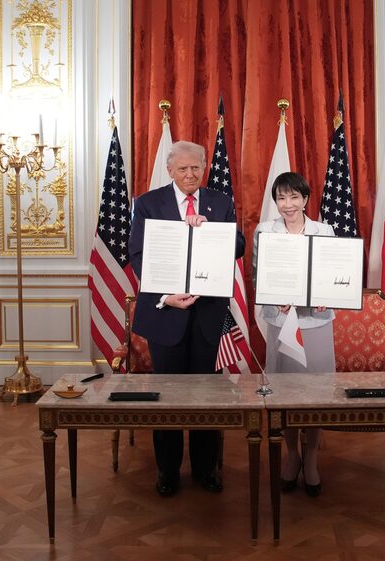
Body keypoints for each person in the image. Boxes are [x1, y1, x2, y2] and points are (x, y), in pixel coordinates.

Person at [129, 140, 245, 497]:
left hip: (208, 316)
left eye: (196, 167)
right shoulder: (148, 204)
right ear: (170, 170)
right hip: (166, 316)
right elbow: (137, 255)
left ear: (204, 167)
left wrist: (211, 230)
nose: (190, 174)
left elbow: (238, 246)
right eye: (183, 169)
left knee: (206, 398)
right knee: (168, 398)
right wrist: (165, 297)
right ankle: (167, 471)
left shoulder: (220, 202)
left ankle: (206, 469)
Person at [252, 171, 336, 497]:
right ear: (276, 201)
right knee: (283, 391)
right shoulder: (264, 231)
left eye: (294, 197)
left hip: (315, 322)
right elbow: (260, 275)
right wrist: (277, 297)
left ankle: (312, 458)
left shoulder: (324, 231)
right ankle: (292, 455)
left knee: (314, 393)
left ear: (305, 199)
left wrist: (325, 293)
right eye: (282, 198)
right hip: (281, 321)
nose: (288, 204)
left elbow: (331, 275)